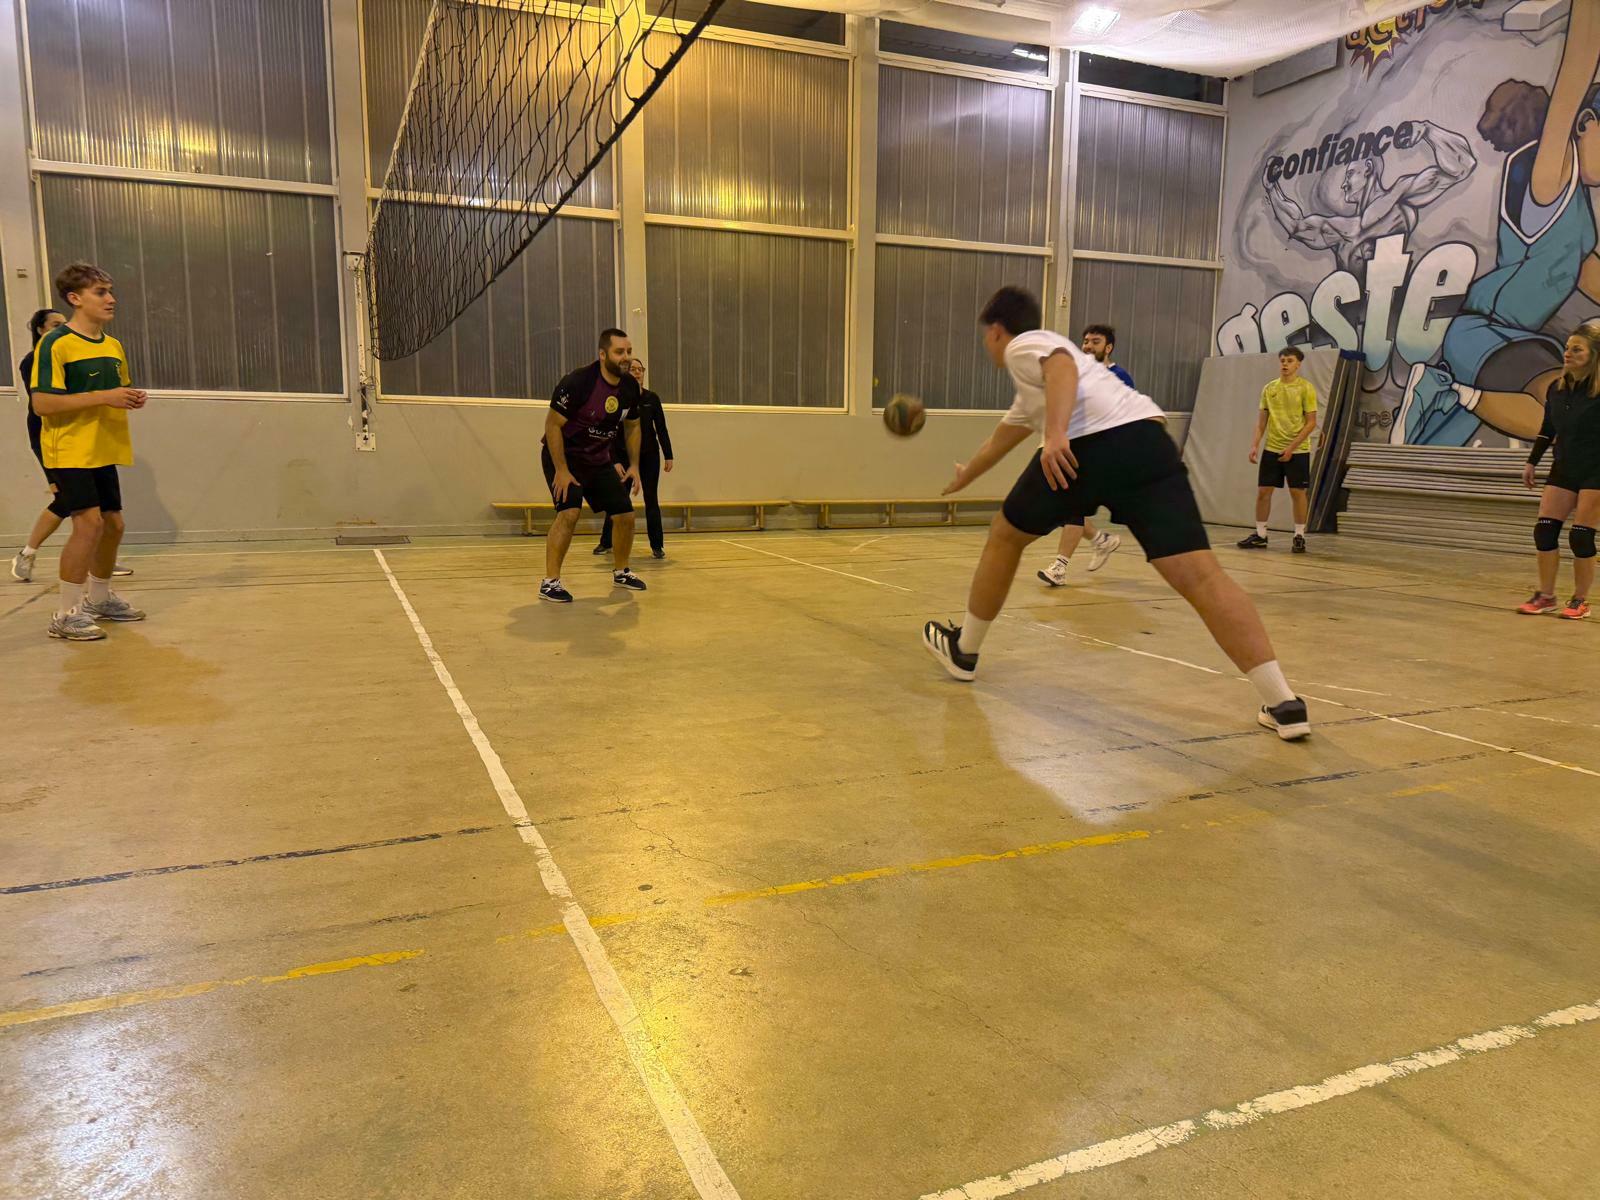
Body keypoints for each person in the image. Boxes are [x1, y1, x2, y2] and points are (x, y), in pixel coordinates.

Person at [925, 286, 1310, 741]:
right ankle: (1284, 703)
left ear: (995, 330)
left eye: (985, 336)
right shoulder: (1037, 391)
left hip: (1087, 448)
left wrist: (1056, 435)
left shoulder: (1026, 344)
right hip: (1147, 444)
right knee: (1203, 577)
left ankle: (965, 651)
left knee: (1005, 536)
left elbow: (1060, 367)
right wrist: (966, 475)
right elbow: (1003, 437)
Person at [1394, 6, 1600, 446]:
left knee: (1561, 414)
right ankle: (1447, 391)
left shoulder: (1578, 224)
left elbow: (1584, 275)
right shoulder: (1548, 175)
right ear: (1584, 124)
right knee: (1567, 407)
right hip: (1482, 328)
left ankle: (1454, 396)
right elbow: (1577, 68)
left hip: (1519, 339)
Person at [30, 262, 147, 641]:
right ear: (75, 298)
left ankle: (99, 599)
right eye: (100, 292)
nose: (111, 299)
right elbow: (42, 404)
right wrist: (104, 396)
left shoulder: (113, 346)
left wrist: (128, 398)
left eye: (110, 291)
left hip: (102, 448)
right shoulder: (56, 343)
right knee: (88, 525)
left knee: (114, 526)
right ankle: (66, 614)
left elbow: (115, 392)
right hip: (68, 449)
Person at [9, 308, 134, 583]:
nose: (62, 328)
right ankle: (28, 554)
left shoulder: (104, 346)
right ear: (40, 329)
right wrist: (103, 396)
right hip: (55, 439)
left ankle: (100, 563)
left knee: (109, 519)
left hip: (91, 440)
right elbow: (45, 403)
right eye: (55, 324)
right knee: (69, 504)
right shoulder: (38, 357)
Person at [539, 328, 648, 603]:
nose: (626, 357)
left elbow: (633, 426)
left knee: (625, 515)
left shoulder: (629, 387)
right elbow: (552, 426)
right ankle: (550, 583)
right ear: (603, 354)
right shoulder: (578, 382)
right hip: (565, 457)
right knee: (569, 513)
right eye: (619, 352)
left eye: (629, 351)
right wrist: (561, 470)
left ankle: (621, 572)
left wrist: (634, 465)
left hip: (598, 461)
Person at [1516, 326, 1600, 619]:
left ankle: (1580, 600)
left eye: (1577, 349)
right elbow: (1547, 428)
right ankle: (1546, 596)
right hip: (1565, 466)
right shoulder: (1557, 388)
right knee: (1544, 531)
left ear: (1594, 355)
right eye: (1567, 347)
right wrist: (1532, 462)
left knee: (1581, 536)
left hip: (1596, 470)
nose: (1568, 353)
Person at [1036, 324, 1127, 586]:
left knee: (1073, 506)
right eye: (1085, 341)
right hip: (1071, 448)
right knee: (1061, 506)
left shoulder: (1118, 377)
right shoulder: (1076, 374)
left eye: (1095, 341)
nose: (1087, 346)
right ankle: (1101, 540)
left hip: (1098, 453)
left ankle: (1059, 568)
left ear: (1108, 347)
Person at [1238, 347, 1318, 554]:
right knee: (1264, 491)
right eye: (1282, 360)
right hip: (1272, 448)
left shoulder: (1306, 388)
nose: (1285, 364)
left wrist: (1291, 447)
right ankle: (1260, 535)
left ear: (1298, 364)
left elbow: (1311, 423)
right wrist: (1255, 445)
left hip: (1297, 450)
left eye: (1289, 361)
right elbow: (1261, 422)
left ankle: (1299, 536)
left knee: (1297, 492)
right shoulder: (1269, 388)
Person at [594, 359, 674, 559]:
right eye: (633, 369)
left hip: (649, 457)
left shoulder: (652, 398)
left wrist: (668, 455)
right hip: (624, 458)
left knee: (651, 499)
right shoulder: (617, 398)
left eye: (640, 369)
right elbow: (610, 431)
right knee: (617, 499)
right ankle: (606, 542)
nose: (638, 373)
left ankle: (657, 545)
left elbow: (661, 428)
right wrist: (614, 460)